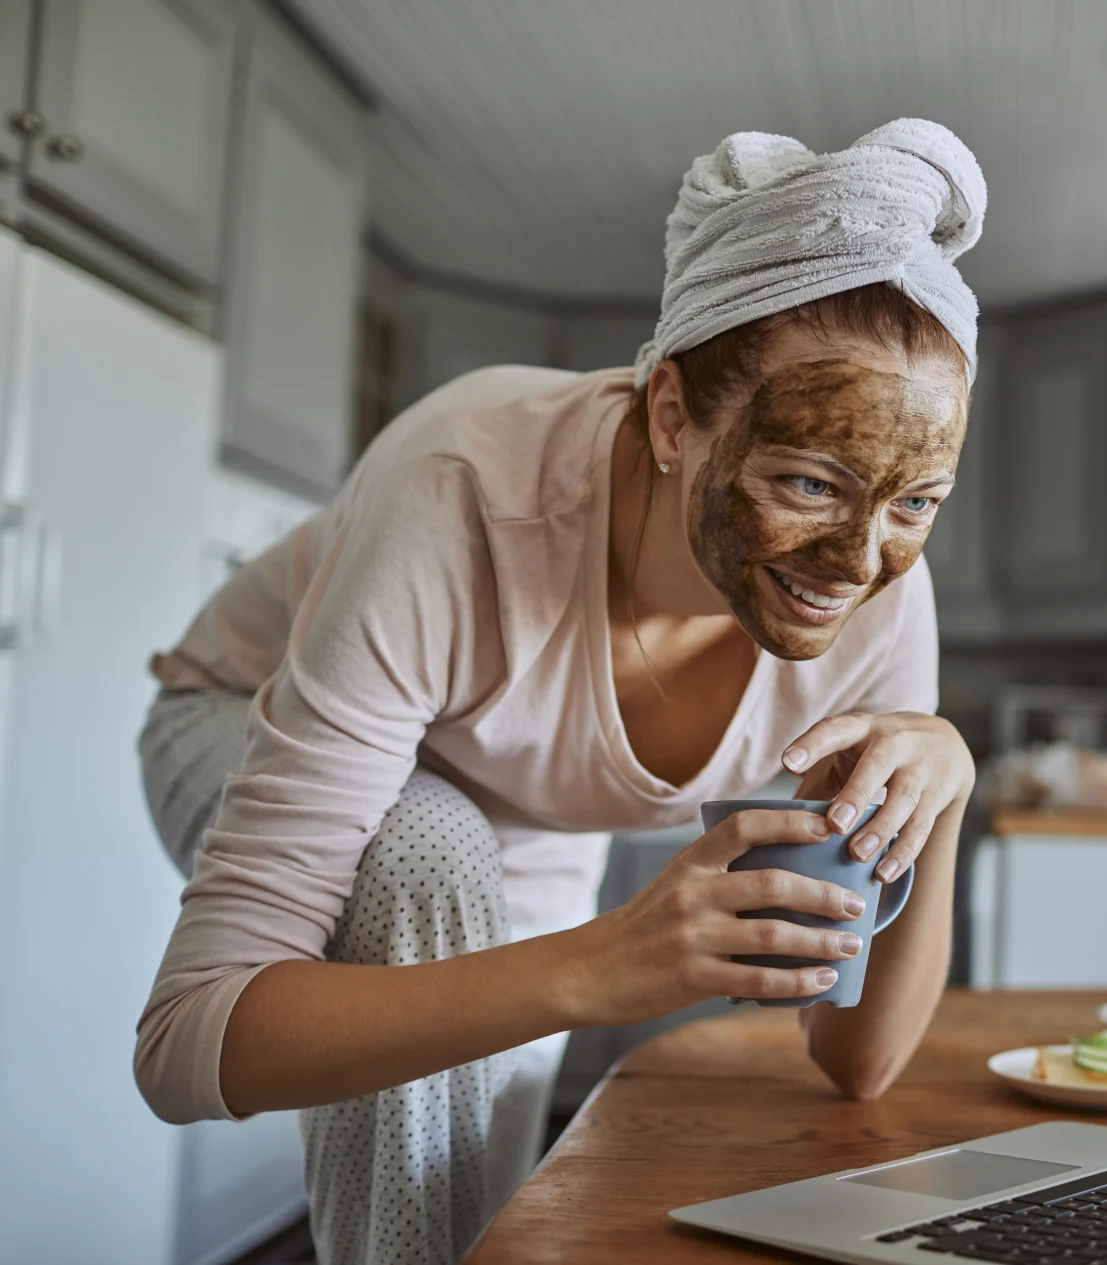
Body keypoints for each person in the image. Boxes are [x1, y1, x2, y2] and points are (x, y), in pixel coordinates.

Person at [135, 118, 986, 1265]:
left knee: (469, 1189)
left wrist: (941, 784)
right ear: (674, 413)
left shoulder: (881, 591)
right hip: (234, 715)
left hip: (522, 815)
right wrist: (597, 964)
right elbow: (189, 1041)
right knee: (426, 852)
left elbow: (858, 1057)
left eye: (916, 502)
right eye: (806, 480)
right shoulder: (464, 486)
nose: (858, 560)